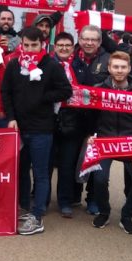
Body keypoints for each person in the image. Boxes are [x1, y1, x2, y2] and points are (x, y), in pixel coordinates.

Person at [2, 27, 72, 235]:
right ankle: (24, 207)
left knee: (41, 173)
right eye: (27, 45)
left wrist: (42, 96)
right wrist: (11, 117)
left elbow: (66, 91)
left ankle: (38, 214)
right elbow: (6, 92)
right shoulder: (14, 64)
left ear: (42, 44)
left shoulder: (51, 65)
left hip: (42, 128)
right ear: (21, 44)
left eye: (34, 45)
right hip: (19, 127)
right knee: (21, 170)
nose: (30, 49)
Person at [89, 52, 132, 234]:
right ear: (109, 68)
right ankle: (104, 212)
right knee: (99, 179)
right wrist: (91, 135)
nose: (119, 70)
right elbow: (91, 117)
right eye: (115, 66)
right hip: (105, 141)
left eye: (123, 67)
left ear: (129, 69)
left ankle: (127, 215)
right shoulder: (98, 89)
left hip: (130, 143)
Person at [51, 32, 97, 217]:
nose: (64, 48)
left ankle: (65, 201)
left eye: (67, 45)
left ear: (73, 48)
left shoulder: (81, 67)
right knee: (46, 163)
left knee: (67, 164)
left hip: (74, 121)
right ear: (55, 47)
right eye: (60, 45)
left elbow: (90, 94)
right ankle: (41, 199)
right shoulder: (46, 65)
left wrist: (89, 127)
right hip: (49, 119)